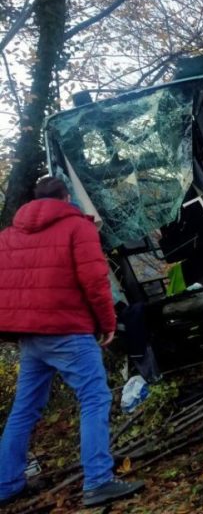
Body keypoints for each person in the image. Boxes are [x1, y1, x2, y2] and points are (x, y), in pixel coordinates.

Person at [0, 177, 144, 507]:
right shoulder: (78, 227)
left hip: (30, 337)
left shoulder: (9, 236)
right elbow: (95, 281)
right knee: (94, 397)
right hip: (67, 331)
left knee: (24, 410)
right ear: (66, 197)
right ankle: (98, 480)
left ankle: (6, 484)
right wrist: (108, 323)